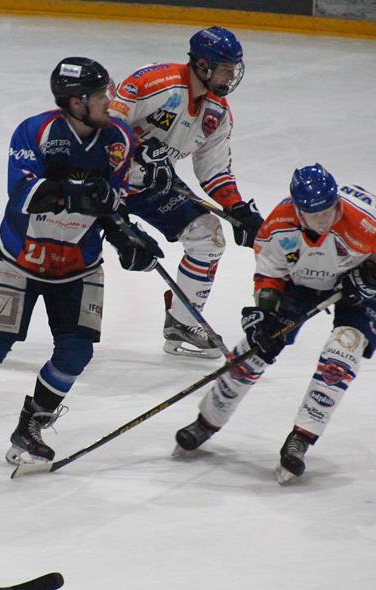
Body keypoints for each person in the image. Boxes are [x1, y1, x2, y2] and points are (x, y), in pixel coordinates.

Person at [0, 57, 163, 464]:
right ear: (75, 102)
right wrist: (82, 193)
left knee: (76, 352)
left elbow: (113, 202)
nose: (109, 100)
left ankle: (31, 426)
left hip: (79, 262)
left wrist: (125, 234)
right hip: (20, 258)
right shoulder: (35, 131)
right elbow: (25, 193)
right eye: (100, 95)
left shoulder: (118, 138)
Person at [174, 163, 376, 483]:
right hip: (301, 282)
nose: (326, 218)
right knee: (253, 350)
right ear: (298, 211)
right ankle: (206, 421)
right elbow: (269, 275)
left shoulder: (367, 225)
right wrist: (265, 314)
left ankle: (302, 438)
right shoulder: (278, 228)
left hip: (360, 286)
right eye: (316, 214)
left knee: (342, 352)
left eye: (330, 209)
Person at [108, 26, 264, 358]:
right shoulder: (156, 83)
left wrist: (237, 209)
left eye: (234, 68)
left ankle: (181, 320)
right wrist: (136, 146)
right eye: (225, 68)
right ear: (203, 65)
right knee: (61, 253)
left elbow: (214, 170)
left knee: (208, 237)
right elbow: (107, 122)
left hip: (151, 186)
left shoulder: (217, 113)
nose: (231, 75)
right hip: (102, 181)